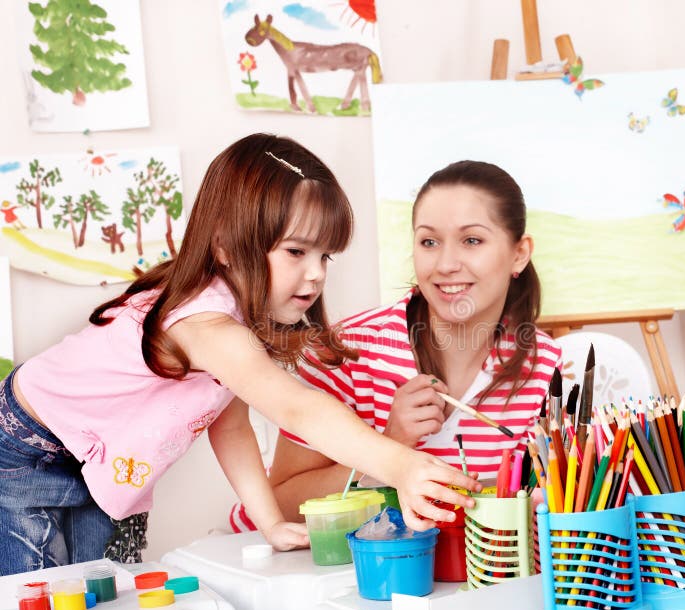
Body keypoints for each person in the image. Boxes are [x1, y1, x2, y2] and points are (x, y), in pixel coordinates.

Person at [0, 134, 479, 575]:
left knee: (95, 592)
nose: (315, 274)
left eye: (324, 257)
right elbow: (297, 408)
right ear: (227, 248)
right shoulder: (205, 325)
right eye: (296, 252)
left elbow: (229, 426)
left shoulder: (235, 324)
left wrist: (269, 522)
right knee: (34, 604)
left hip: (87, 460)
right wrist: (401, 464)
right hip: (25, 449)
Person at [230, 160, 560, 529]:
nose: (447, 264)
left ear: (519, 253)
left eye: (471, 241)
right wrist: (389, 443)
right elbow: (281, 504)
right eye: (429, 242)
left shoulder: (545, 366)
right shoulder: (345, 350)